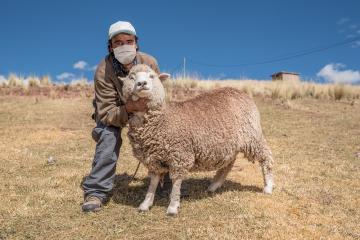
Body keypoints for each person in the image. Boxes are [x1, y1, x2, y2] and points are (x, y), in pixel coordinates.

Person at [82, 21, 162, 212]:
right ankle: (96, 191)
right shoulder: (103, 71)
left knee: (163, 133)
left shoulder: (149, 62)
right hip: (113, 109)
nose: (124, 46)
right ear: (110, 46)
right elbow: (107, 112)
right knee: (108, 136)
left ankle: (166, 179)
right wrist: (130, 107)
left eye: (129, 41)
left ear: (136, 43)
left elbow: (160, 94)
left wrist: (149, 110)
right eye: (118, 42)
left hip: (146, 106)